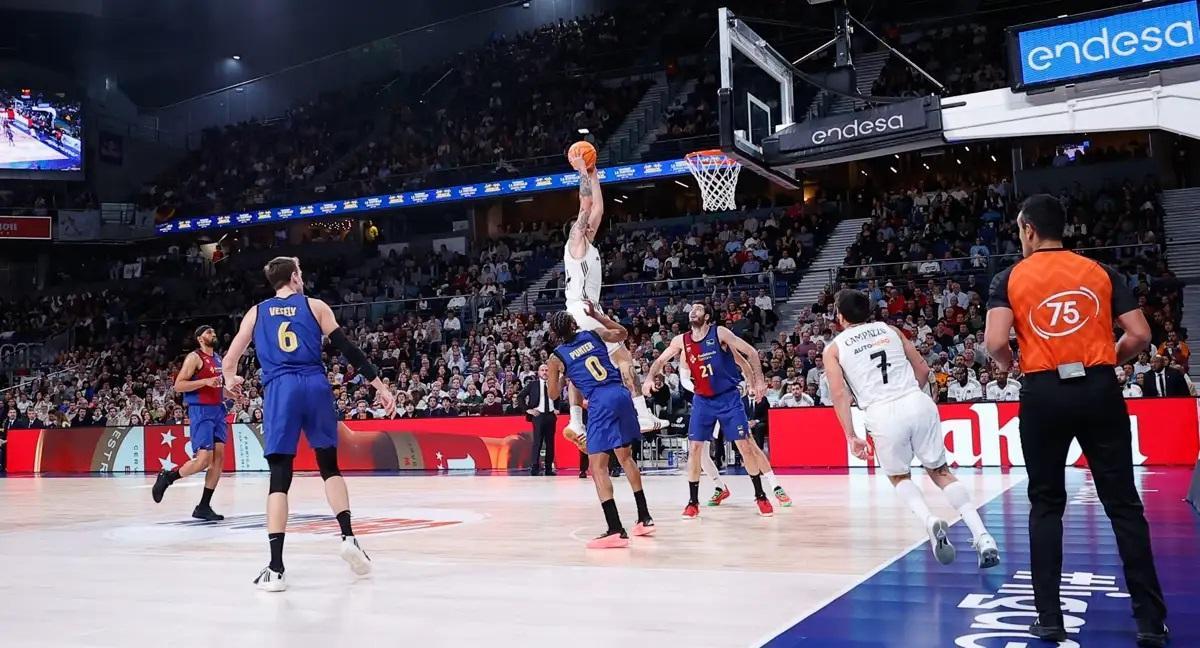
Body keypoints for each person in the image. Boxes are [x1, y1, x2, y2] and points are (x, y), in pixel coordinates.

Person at [983, 194, 1168, 646]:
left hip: (1044, 393)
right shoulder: (1101, 272)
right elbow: (1140, 333)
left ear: (1028, 229)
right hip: (1099, 388)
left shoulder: (1010, 277)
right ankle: (1149, 621)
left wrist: (1010, 366)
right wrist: (1110, 360)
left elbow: (994, 343)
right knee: (1123, 503)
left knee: (1046, 504)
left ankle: (1049, 618)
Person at [221, 256, 396, 592]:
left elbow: (230, 361)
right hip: (315, 385)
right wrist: (381, 387)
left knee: (280, 476)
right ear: (296, 277)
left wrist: (232, 381)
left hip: (281, 390)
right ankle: (348, 537)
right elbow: (349, 350)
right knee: (329, 466)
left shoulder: (256, 312)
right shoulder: (315, 306)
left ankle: (276, 568)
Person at [824, 289, 999, 569]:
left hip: (881, 412)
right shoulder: (890, 330)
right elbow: (922, 369)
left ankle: (930, 522)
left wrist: (851, 435)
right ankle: (983, 535)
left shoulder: (834, 348)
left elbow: (839, 394)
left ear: (840, 317)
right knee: (941, 472)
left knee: (899, 476)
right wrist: (911, 398)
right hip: (916, 400)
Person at [559, 151, 665, 453]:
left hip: (584, 310)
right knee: (622, 359)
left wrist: (594, 174)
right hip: (583, 310)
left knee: (593, 365)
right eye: (583, 225)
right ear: (576, 230)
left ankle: (578, 421)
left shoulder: (588, 243)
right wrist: (581, 169)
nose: (588, 225)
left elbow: (599, 209)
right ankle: (639, 413)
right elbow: (587, 204)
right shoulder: (576, 242)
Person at [643, 303, 776, 519]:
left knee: (744, 446)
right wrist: (649, 377)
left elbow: (750, 352)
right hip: (703, 400)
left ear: (707, 316)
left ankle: (760, 496)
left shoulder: (720, 332)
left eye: (698, 309)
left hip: (728, 397)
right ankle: (692, 502)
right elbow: (660, 360)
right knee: (694, 449)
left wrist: (759, 380)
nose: (693, 311)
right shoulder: (681, 341)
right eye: (691, 309)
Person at [546, 302, 654, 549]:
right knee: (626, 458)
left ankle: (615, 529)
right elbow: (623, 334)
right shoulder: (593, 333)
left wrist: (564, 374)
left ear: (555, 334)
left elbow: (553, 394)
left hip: (600, 402)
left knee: (597, 467)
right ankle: (644, 518)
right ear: (574, 324)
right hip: (621, 394)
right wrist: (597, 315)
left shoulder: (557, 357)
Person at [152, 325, 234, 521]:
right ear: (199, 338)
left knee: (219, 460)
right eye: (208, 332)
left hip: (218, 411)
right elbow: (179, 385)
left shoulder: (218, 359)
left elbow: (216, 386)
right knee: (203, 460)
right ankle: (168, 477)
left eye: (214, 331)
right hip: (201, 412)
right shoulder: (194, 358)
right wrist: (204, 382)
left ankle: (203, 506)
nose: (213, 334)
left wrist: (231, 394)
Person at [520, 365, 557, 475]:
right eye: (542, 370)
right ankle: (535, 467)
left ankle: (549, 468)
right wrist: (528, 410)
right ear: (538, 372)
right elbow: (520, 397)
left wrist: (557, 408)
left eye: (547, 370)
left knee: (550, 443)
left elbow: (558, 397)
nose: (545, 372)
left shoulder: (553, 384)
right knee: (537, 442)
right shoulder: (533, 384)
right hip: (538, 416)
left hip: (550, 416)